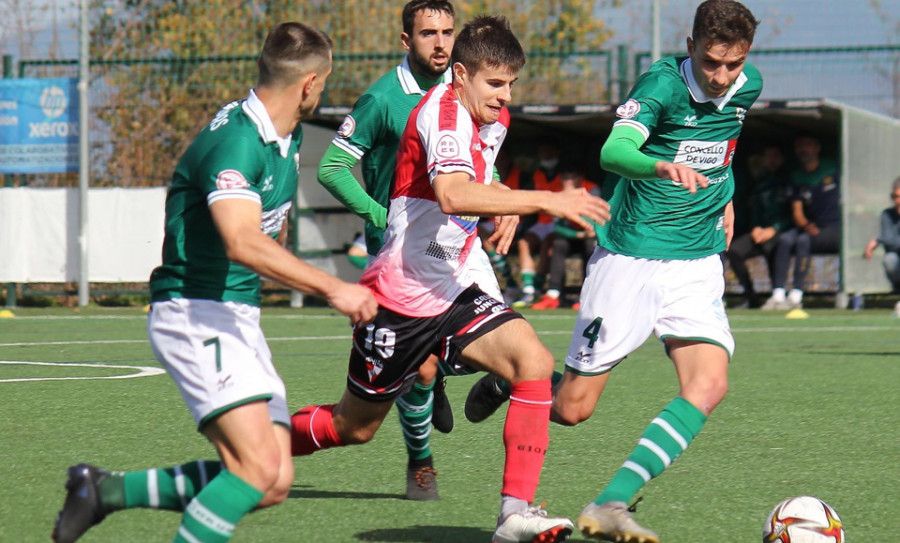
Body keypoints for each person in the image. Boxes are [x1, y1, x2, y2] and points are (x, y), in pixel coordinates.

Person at [51, 23, 377, 543]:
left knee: (271, 480)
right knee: (252, 470)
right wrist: (334, 286)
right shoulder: (236, 142)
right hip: (194, 313)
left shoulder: (282, 136)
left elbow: (267, 232)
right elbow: (241, 241)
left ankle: (105, 492)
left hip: (235, 316)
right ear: (311, 84)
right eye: (327, 81)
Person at [289, 15, 610, 543]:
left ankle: (514, 514)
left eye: (511, 84)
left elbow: (479, 183)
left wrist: (505, 202)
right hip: (403, 291)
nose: (505, 96)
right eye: (495, 83)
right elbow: (453, 194)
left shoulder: (492, 118)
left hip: (456, 279)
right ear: (459, 75)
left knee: (532, 360)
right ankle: (265, 446)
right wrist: (544, 199)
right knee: (355, 427)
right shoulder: (440, 113)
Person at [465, 2, 761, 541]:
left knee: (710, 384)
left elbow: (724, 147)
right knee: (573, 409)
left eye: (734, 65)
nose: (723, 77)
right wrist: (658, 164)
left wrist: (728, 195)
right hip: (631, 260)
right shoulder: (661, 85)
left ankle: (611, 503)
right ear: (691, 46)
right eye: (713, 63)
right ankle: (515, 382)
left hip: (696, 261)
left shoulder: (747, 85)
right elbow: (614, 151)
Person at [315, 0, 466, 500]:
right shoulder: (382, 100)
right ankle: (421, 462)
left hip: (455, 249)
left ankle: (450, 371)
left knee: (511, 350)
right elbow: (332, 168)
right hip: (398, 257)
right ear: (407, 41)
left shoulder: (463, 88)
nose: (441, 42)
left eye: (448, 31)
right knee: (417, 372)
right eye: (428, 33)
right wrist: (380, 215)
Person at [761, 133, 840, 310]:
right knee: (785, 239)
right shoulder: (796, 176)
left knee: (803, 241)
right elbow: (797, 211)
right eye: (799, 146)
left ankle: (796, 295)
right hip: (808, 227)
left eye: (807, 145)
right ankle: (778, 294)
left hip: (834, 228)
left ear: (817, 148)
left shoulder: (833, 168)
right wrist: (806, 225)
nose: (803, 149)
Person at [725, 144, 791, 308]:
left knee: (777, 246)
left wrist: (774, 228)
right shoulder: (761, 182)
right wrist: (755, 227)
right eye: (768, 156)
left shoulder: (789, 180)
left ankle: (778, 295)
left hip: (782, 232)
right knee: (733, 251)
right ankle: (751, 296)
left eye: (775, 156)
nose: (771, 160)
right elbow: (755, 209)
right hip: (760, 232)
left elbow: (793, 214)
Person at [509, 138, 565, 307]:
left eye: (549, 152)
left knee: (548, 244)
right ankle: (528, 290)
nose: (546, 156)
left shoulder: (564, 174)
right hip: (541, 221)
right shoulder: (536, 174)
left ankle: (539, 286)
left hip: (559, 220)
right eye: (543, 152)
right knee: (525, 242)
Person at [531, 171, 599, 310]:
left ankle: (587, 294)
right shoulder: (559, 194)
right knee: (558, 244)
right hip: (573, 235)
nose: (568, 182)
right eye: (565, 178)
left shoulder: (592, 190)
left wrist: (586, 227)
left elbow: (597, 219)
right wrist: (576, 235)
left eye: (571, 178)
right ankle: (553, 294)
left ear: (579, 178)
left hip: (591, 235)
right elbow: (558, 227)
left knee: (590, 248)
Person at [863, 176, 900, 295]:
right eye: (894, 197)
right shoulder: (887, 215)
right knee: (890, 259)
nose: (897, 201)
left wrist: (877, 240)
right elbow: (890, 241)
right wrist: (882, 239)